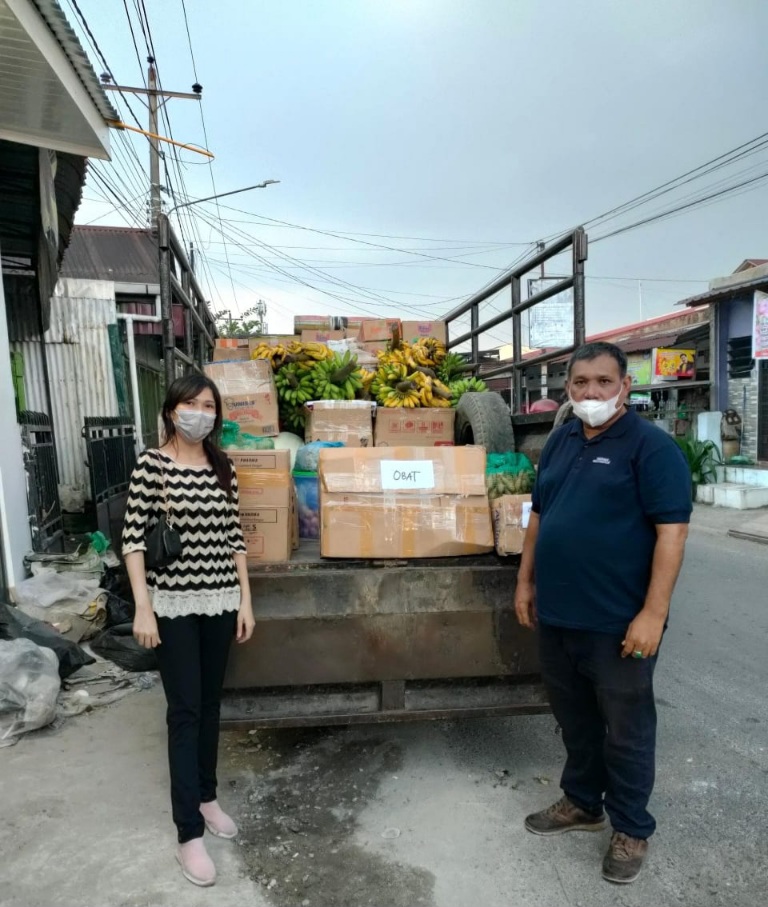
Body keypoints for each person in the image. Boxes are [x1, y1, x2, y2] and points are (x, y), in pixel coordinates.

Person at [514, 341, 691, 885]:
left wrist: (653, 614)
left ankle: (632, 827)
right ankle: (583, 803)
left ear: (625, 387)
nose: (591, 392)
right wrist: (525, 582)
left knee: (627, 729)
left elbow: (672, 533)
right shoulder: (561, 440)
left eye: (602, 382)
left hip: (619, 620)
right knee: (575, 720)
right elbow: (540, 516)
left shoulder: (650, 448)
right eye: (580, 383)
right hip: (561, 615)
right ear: (567, 389)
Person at [122, 374, 255, 888]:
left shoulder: (224, 467)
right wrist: (143, 608)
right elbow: (134, 539)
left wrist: (245, 599)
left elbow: (235, 538)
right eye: (191, 403)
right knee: (185, 712)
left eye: (208, 405)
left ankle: (207, 797)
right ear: (172, 409)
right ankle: (188, 834)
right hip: (173, 605)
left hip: (221, 600)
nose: (201, 412)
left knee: (211, 705)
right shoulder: (151, 466)